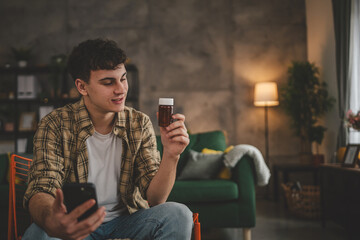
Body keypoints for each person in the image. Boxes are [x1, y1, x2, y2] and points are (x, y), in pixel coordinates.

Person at [22, 39, 193, 240]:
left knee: (178, 214)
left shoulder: (138, 123)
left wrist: (171, 155)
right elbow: (41, 188)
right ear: (82, 86)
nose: (120, 89)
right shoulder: (55, 124)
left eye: (123, 78)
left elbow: (156, 199)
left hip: (128, 222)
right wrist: (52, 220)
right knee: (37, 233)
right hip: (78, 225)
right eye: (108, 82)